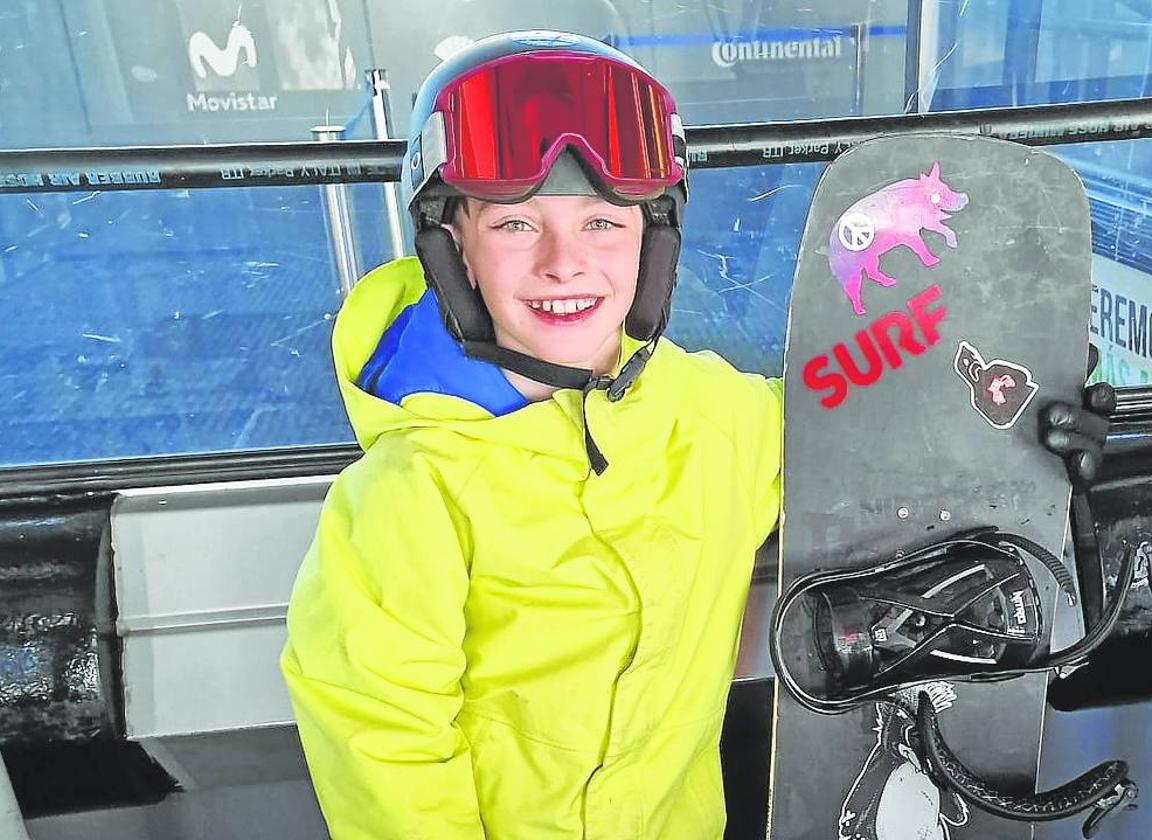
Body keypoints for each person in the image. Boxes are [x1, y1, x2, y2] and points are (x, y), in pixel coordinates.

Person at [280, 31, 1111, 840]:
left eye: (604, 222)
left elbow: (870, 447)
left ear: (655, 237)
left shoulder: (714, 416)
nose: (564, 261)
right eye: (515, 225)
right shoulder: (407, 493)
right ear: (450, 242)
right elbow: (382, 739)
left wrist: (1020, 425)